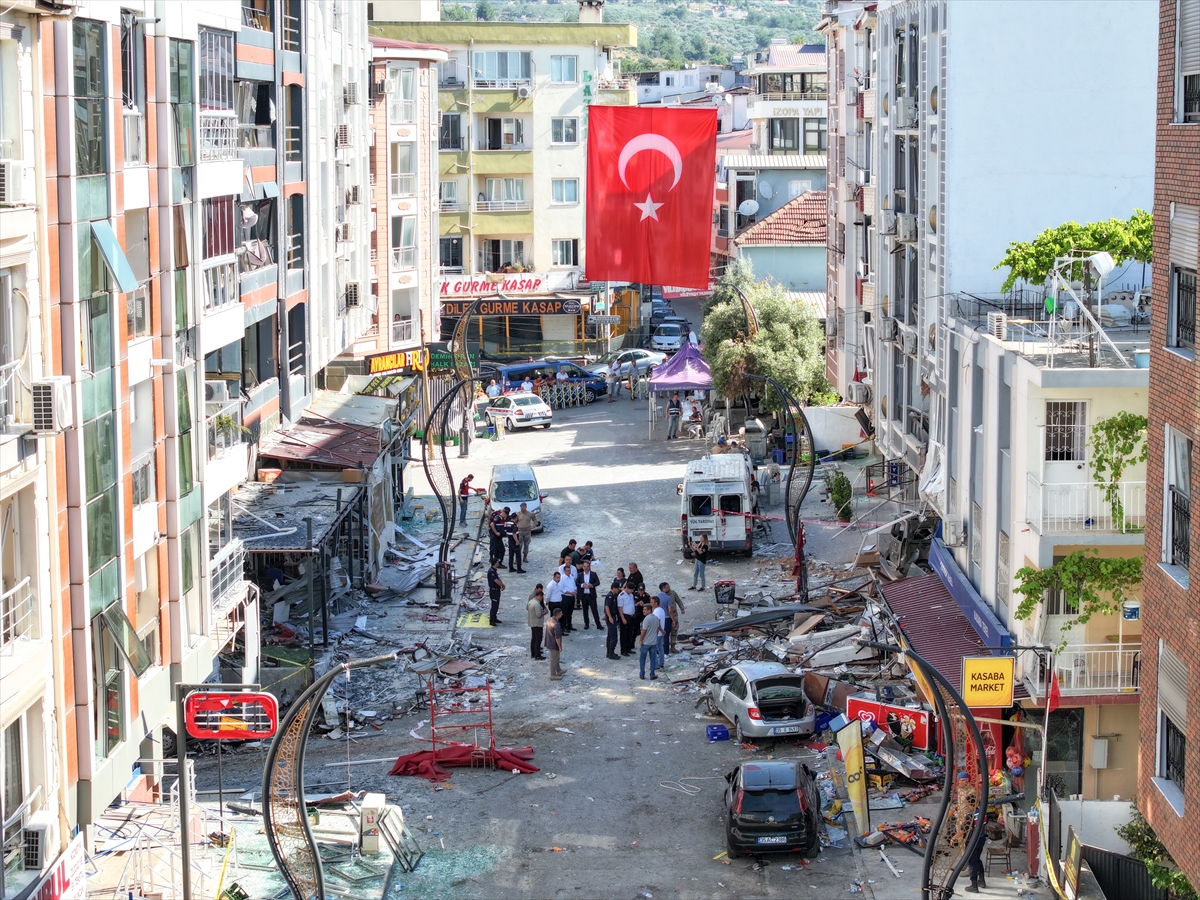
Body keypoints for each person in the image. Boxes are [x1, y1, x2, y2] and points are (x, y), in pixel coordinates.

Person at [638, 600, 663, 680]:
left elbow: (644, 631)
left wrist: (641, 640)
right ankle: (652, 674)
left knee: (642, 659)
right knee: (652, 659)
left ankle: (642, 674)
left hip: (646, 642)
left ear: (649, 610)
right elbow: (657, 629)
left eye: (645, 610)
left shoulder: (646, 619)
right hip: (653, 642)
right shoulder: (656, 618)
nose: (643, 611)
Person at [662, 583, 686, 653]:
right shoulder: (661, 596)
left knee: (674, 630)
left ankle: (673, 646)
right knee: (665, 632)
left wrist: (682, 608)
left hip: (674, 614)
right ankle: (664, 647)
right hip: (665, 615)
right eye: (666, 587)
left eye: (668, 587)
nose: (668, 588)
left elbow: (678, 601)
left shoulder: (673, 593)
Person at [577, 561, 601, 630]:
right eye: (584, 566)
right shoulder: (580, 575)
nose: (586, 568)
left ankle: (598, 624)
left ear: (589, 567)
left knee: (594, 610)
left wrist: (592, 585)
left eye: (587, 566)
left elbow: (598, 582)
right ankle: (586, 624)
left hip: (591, 595)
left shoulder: (593, 574)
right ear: (583, 567)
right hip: (584, 595)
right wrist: (582, 585)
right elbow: (577, 583)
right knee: (585, 610)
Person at [558, 559, 579, 633]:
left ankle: (569, 625)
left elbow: (574, 585)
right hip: (565, 597)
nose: (569, 572)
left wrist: (575, 591)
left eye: (569, 570)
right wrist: (570, 592)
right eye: (567, 571)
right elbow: (561, 589)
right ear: (564, 571)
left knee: (570, 612)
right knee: (565, 612)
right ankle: (564, 626)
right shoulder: (562, 578)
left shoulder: (572, 577)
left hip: (571, 597)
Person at [526, 588, 548, 660]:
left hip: (532, 622)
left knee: (534, 638)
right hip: (537, 623)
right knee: (538, 639)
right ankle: (537, 655)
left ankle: (533, 652)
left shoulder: (531, 602)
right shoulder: (537, 604)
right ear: (539, 596)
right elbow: (538, 615)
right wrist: (544, 612)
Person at [617, 582, 638, 655]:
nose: (632, 591)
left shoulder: (631, 595)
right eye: (631, 590)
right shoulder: (621, 595)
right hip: (625, 616)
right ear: (627, 588)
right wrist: (623, 618)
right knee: (624, 634)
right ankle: (623, 650)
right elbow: (620, 608)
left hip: (631, 616)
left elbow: (631, 604)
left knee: (629, 633)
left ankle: (628, 649)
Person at [656, 583, 676, 656]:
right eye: (667, 587)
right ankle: (665, 651)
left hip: (658, 617)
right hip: (666, 618)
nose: (668, 588)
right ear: (664, 588)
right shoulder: (668, 598)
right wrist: (673, 620)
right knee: (666, 635)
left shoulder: (657, 597)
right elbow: (670, 610)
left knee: (658, 634)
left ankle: (658, 651)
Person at [545, 608, 565, 680]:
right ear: (558, 615)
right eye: (561, 613)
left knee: (556, 658)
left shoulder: (549, 620)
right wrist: (559, 646)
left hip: (549, 641)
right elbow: (557, 637)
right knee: (554, 659)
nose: (562, 614)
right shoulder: (556, 624)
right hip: (554, 644)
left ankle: (558, 670)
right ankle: (553, 674)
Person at [486, 558, 505, 626]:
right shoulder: (492, 572)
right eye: (497, 562)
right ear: (495, 563)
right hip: (494, 591)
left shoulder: (494, 570)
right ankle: (492, 620)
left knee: (496, 605)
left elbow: (498, 578)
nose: (498, 563)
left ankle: (494, 618)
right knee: (494, 606)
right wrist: (502, 585)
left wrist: (502, 584)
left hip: (496, 590)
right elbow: (496, 581)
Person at [603, 589, 621, 660]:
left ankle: (609, 652)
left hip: (612, 616)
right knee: (613, 636)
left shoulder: (613, 595)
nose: (618, 590)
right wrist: (609, 617)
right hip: (611, 617)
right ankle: (611, 653)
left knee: (610, 635)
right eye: (617, 589)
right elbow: (607, 607)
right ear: (614, 588)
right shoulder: (610, 596)